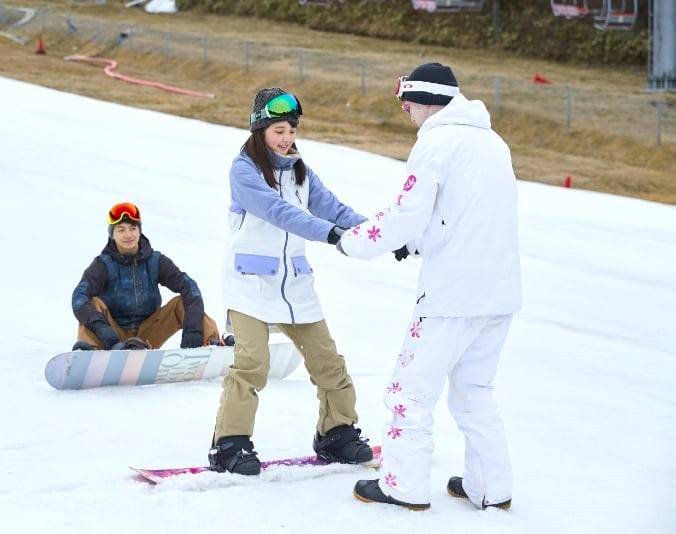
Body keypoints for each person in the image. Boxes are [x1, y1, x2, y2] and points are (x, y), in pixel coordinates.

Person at [339, 63, 522, 510]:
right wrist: (416, 245)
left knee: (410, 391)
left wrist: (353, 242)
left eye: (407, 102)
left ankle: (402, 486)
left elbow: (406, 213)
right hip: (498, 293)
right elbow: (460, 217)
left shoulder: (436, 142)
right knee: (474, 391)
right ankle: (490, 487)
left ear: (424, 102)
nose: (405, 111)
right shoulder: (492, 142)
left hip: (450, 296)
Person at [208, 88, 374, 476]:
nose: (286, 138)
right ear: (260, 129)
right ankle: (229, 444)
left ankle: (337, 433)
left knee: (328, 364)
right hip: (250, 283)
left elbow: (334, 208)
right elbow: (278, 212)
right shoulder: (244, 169)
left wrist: (381, 234)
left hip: (295, 284)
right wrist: (331, 235)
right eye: (278, 130)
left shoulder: (299, 169)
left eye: (291, 130)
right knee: (252, 364)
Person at [71, 201, 223, 351]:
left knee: (183, 302)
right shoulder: (102, 265)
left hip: (149, 333)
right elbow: (79, 296)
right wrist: (100, 327)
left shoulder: (155, 261)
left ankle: (210, 344)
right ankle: (89, 354)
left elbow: (189, 286)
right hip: (112, 335)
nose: (128, 234)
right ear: (112, 235)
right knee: (92, 302)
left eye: (133, 228)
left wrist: (193, 328)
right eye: (121, 230)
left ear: (139, 231)